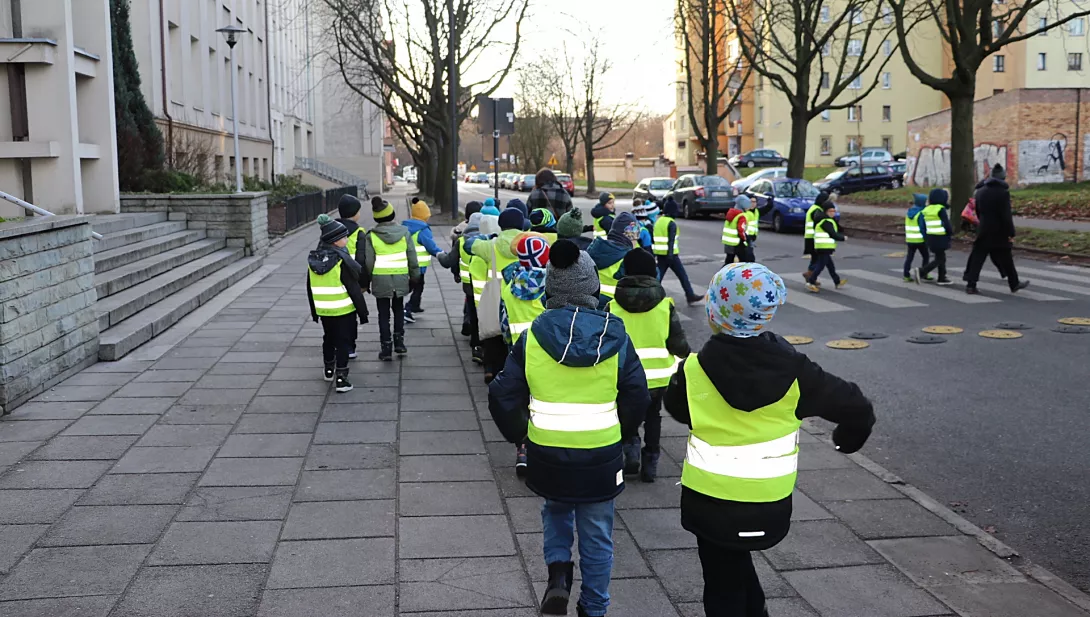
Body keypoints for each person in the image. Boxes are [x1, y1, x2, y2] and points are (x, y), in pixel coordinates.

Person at [664, 262, 875, 617]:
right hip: (769, 502)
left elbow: (677, 409)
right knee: (736, 561)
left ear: (715, 312)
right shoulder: (797, 371)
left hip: (710, 503)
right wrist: (845, 441)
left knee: (721, 583)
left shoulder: (692, 371)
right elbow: (857, 408)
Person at [488, 239, 651, 617]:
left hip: (547, 451)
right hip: (601, 454)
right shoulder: (617, 337)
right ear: (593, 287)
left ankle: (558, 576)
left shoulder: (531, 339)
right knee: (598, 533)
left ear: (550, 290)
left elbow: (502, 395)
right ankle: (593, 607)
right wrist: (622, 432)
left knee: (555, 514)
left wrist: (521, 436)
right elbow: (637, 395)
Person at [607, 248, 690, 482]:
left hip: (624, 377)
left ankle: (630, 448)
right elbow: (677, 342)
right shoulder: (665, 305)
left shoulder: (613, 306)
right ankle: (651, 461)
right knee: (653, 416)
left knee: (627, 414)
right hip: (658, 378)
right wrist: (687, 355)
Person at [500, 234, 550, 477]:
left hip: (519, 352)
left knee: (523, 400)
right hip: (546, 352)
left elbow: (503, 320)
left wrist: (509, 346)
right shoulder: (549, 287)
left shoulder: (510, 284)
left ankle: (523, 450)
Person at [307, 214, 369, 393]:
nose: (347, 239)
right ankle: (341, 378)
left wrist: (314, 310)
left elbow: (309, 287)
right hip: (343, 309)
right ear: (335, 241)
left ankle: (328, 370)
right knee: (343, 342)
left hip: (324, 309)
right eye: (344, 237)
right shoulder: (341, 261)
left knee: (328, 338)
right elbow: (353, 289)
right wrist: (362, 312)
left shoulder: (313, 260)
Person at [468, 208, 526, 382]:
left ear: (501, 225)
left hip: (497, 296)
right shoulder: (529, 241)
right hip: (521, 297)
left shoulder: (491, 246)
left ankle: (493, 371)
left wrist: (487, 236)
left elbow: (468, 244)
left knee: (495, 335)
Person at [361, 197, 420, 361]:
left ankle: (386, 347)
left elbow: (369, 262)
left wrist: (367, 281)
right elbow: (412, 259)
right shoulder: (405, 233)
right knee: (399, 310)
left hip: (381, 281)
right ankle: (399, 343)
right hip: (401, 279)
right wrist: (415, 278)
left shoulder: (371, 237)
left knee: (383, 315)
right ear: (393, 214)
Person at [963, 164, 1030, 295]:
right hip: (999, 231)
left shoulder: (980, 191)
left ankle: (971, 284)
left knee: (977, 258)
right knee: (1006, 258)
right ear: (1003, 178)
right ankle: (1014, 283)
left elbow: (978, 211)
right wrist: (1011, 231)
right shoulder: (1002, 193)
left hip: (984, 230)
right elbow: (1005, 215)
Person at [653, 198, 704, 304]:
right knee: (682, 276)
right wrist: (670, 256)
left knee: (658, 277)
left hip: (660, 254)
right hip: (671, 255)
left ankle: (651, 295)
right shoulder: (671, 223)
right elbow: (671, 241)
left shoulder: (659, 221)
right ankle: (690, 295)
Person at [334, 194, 367, 360]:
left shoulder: (331, 230)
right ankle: (349, 347)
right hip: (352, 280)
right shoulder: (359, 232)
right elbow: (362, 260)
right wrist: (364, 283)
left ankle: (335, 344)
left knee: (336, 314)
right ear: (355, 213)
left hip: (333, 279)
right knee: (350, 314)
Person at [401, 198, 444, 323]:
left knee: (416, 285)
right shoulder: (423, 230)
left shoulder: (405, 226)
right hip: (418, 266)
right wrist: (441, 254)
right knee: (415, 286)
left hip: (407, 263)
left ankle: (414, 305)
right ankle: (407, 308)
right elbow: (431, 246)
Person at [587, 212, 638, 309]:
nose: (637, 238)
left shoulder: (593, 249)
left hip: (590, 304)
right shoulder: (627, 257)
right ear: (627, 234)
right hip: (614, 307)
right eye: (635, 233)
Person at [912, 188, 953, 286]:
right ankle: (922, 271)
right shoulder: (940, 209)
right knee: (939, 259)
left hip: (931, 237)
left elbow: (925, 225)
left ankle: (942, 277)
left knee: (941, 257)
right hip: (940, 237)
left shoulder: (927, 209)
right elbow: (946, 224)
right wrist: (950, 232)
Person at [805, 203, 846, 292]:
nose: (833, 213)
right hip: (823, 247)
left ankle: (837, 281)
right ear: (826, 211)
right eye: (831, 211)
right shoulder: (825, 221)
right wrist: (842, 238)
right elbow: (832, 233)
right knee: (820, 266)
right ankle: (811, 282)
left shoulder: (826, 220)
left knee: (830, 266)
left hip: (824, 247)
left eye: (834, 211)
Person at [903, 193, 932, 282]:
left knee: (909, 258)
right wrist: (927, 238)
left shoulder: (909, 212)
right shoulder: (921, 213)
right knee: (926, 256)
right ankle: (924, 273)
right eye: (926, 201)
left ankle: (906, 275)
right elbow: (922, 227)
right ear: (922, 202)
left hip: (910, 240)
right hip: (920, 240)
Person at [802, 191, 830, 282]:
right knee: (818, 258)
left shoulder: (814, 208)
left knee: (815, 258)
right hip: (813, 238)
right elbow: (819, 222)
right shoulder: (817, 210)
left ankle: (811, 276)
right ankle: (810, 275)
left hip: (810, 237)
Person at [721, 195, 751, 265]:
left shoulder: (731, 213)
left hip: (728, 242)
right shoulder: (741, 216)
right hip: (737, 242)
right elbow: (741, 229)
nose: (748, 208)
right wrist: (745, 239)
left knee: (729, 260)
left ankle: (724, 273)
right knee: (744, 261)